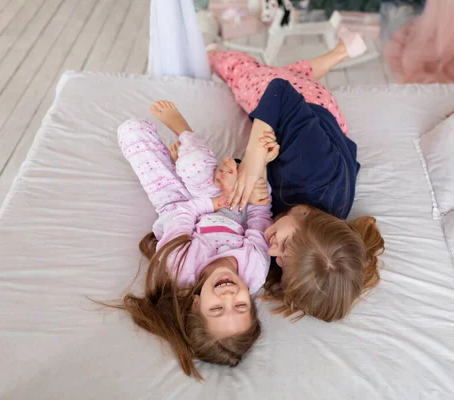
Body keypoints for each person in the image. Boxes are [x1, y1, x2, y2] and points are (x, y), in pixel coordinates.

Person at [207, 30, 386, 322]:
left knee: (289, 74)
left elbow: (273, 177)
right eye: (285, 247)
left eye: (280, 260)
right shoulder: (315, 171)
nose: (272, 249)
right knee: (248, 77)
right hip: (315, 106)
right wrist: (253, 158)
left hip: (325, 136)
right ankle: (213, 54)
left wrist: (238, 171)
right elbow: (280, 91)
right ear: (306, 216)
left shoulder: (311, 227)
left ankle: (340, 52)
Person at [114, 101, 276, 379]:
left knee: (131, 131)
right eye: (240, 306)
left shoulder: (180, 268)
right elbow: (260, 218)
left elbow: (182, 212)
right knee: (194, 166)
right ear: (251, 301)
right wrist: (259, 183)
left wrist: (213, 200)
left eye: (217, 309)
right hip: (229, 211)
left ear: (196, 304)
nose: (228, 296)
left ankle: (186, 164)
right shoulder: (255, 270)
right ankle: (183, 131)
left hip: (178, 206)